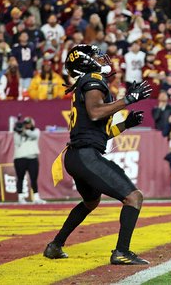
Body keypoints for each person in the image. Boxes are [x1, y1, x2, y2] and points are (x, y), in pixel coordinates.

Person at [44, 44, 151, 265]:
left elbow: (97, 134)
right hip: (84, 155)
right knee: (134, 197)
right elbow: (94, 113)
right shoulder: (93, 80)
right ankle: (122, 252)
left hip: (77, 155)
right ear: (86, 61)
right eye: (95, 56)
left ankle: (55, 245)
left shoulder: (85, 83)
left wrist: (125, 125)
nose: (101, 58)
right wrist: (128, 100)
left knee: (90, 202)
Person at [13, 117, 44, 203]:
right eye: (26, 123)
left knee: (34, 178)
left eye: (29, 123)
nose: (27, 125)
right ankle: (20, 197)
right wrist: (18, 132)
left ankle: (36, 198)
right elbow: (17, 143)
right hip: (20, 158)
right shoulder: (17, 132)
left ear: (32, 124)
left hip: (32, 158)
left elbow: (33, 136)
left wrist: (23, 131)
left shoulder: (36, 131)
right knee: (20, 178)